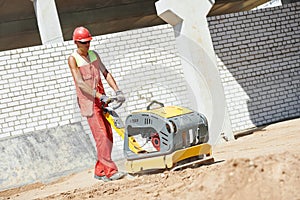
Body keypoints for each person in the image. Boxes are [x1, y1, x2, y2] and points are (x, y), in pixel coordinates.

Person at [68, 26, 126, 182]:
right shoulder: (73, 59)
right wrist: (99, 96)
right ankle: (110, 171)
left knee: (109, 134)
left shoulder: (94, 55)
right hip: (89, 103)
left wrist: (117, 91)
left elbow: (105, 72)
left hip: (102, 100)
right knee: (101, 136)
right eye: (83, 42)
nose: (87, 45)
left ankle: (100, 170)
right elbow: (80, 83)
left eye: (88, 42)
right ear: (76, 43)